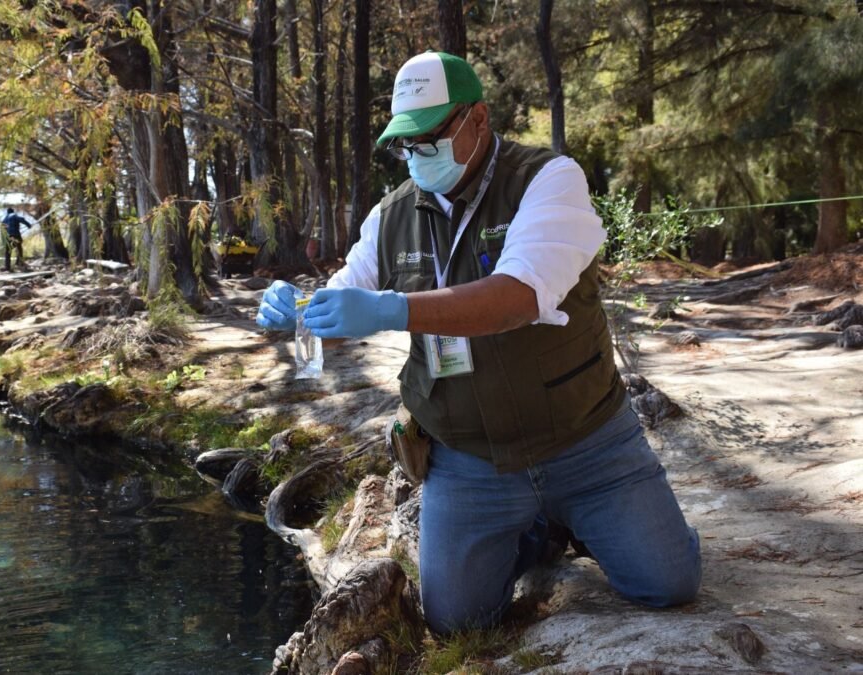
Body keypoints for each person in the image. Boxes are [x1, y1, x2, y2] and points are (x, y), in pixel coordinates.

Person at [256, 51, 701, 634]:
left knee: (668, 584)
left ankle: (589, 517)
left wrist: (393, 309)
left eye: (430, 137)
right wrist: (302, 313)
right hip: (470, 458)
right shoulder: (390, 217)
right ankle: (541, 531)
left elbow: (518, 296)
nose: (416, 154)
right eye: (404, 143)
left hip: (587, 441)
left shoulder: (549, 180)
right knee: (457, 622)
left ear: (479, 120)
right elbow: (346, 302)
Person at [1, 207, 30, 272]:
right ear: (13, 211)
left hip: (8, 237)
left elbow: (2, 230)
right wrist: (28, 225)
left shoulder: (4, 219)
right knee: (19, 248)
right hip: (16, 235)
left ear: (7, 212)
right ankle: (19, 263)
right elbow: (21, 219)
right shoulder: (14, 215)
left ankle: (7, 267)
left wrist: (4, 241)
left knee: (8, 251)